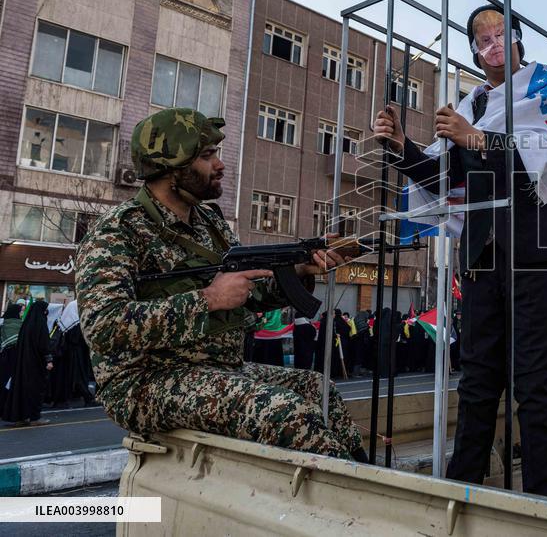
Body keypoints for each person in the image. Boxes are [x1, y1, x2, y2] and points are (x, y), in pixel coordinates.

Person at [374, 5, 547, 497]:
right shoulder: (468, 107)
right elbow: (444, 181)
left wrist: (480, 139)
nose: (491, 43)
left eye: (499, 33)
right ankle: (462, 498)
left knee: (533, 386)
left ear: (517, 37)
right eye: (480, 37)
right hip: (482, 255)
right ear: (472, 48)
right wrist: (403, 146)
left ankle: (539, 508)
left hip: (537, 248)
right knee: (476, 382)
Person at [75, 108, 365, 461]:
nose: (220, 165)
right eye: (207, 156)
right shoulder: (118, 230)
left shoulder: (209, 223)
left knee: (320, 390)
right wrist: (209, 299)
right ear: (174, 166)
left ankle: (365, 479)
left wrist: (302, 270)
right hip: (145, 381)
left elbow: (250, 295)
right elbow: (103, 326)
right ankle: (350, 500)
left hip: (221, 369)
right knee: (284, 411)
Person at [1, 301, 53, 426]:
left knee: (21, 389)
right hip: (36, 364)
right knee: (36, 389)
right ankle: (35, 417)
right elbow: (44, 345)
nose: (46, 312)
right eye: (45, 309)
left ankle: (21, 417)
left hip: (22, 364)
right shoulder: (40, 324)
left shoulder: (26, 324)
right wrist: (49, 360)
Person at [48, 300, 97, 408]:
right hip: (75, 352)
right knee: (79, 375)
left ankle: (77, 396)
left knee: (72, 376)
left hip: (73, 351)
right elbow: (77, 337)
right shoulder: (74, 321)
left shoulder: (69, 318)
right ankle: (87, 397)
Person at [0, 304, 24, 414]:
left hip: (3, 357)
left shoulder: (3, 323)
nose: (22, 314)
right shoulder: (19, 325)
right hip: (12, 357)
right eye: (20, 312)